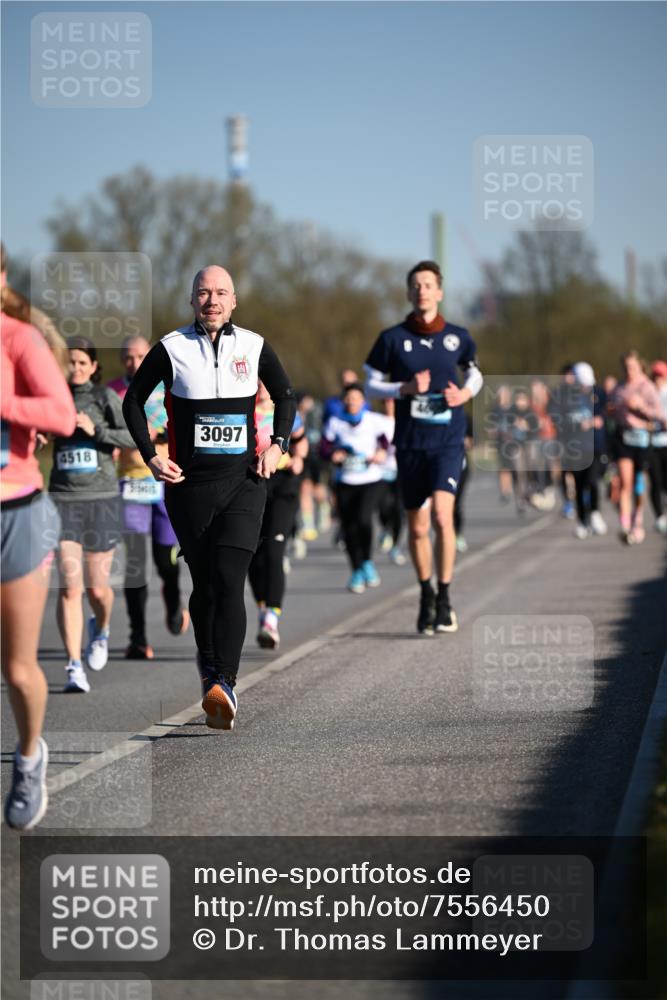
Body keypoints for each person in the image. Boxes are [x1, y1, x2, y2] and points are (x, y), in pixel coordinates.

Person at [122, 265, 295, 730]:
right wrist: (151, 456)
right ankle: (211, 670)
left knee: (229, 576)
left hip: (244, 483)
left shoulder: (254, 345)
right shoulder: (171, 348)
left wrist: (279, 445)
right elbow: (133, 400)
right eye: (203, 293)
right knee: (203, 586)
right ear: (191, 299)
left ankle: (226, 681)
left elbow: (285, 395)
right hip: (189, 488)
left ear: (234, 300)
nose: (212, 300)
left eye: (220, 293)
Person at [364, 260, 483, 634]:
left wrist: (464, 392)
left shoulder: (458, 336)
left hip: (447, 440)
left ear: (439, 292)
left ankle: (445, 597)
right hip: (411, 441)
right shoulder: (391, 338)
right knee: (416, 530)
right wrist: (404, 389)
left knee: (442, 518)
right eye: (416, 285)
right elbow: (370, 385)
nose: (422, 290)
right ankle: (426, 593)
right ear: (408, 292)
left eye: (428, 284)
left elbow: (476, 372)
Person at [1, 247, 77, 829]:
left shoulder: (18, 339)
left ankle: (29, 756)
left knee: (18, 668)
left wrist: (5, 403)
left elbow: (62, 414)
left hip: (15, 512)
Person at [49, 338, 135, 693]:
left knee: (97, 589)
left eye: (82, 362)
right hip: (63, 499)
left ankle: (100, 631)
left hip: (101, 499)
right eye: (70, 362)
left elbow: (132, 436)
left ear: (94, 366)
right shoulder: (52, 396)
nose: (76, 368)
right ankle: (73, 666)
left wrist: (95, 430)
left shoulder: (104, 398)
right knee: (70, 586)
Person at [108, 336, 190, 659]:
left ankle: (173, 600)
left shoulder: (167, 386)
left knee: (166, 560)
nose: (134, 362)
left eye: (141, 356)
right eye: (128, 357)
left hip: (164, 484)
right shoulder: (114, 391)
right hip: (130, 483)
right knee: (136, 564)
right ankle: (138, 637)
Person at [248, 382, 308, 649]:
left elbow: (301, 443)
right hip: (251, 482)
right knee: (251, 553)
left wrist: (299, 459)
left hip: (282, 484)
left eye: (265, 384)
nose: (262, 389)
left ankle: (271, 617)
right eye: (257, 384)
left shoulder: (284, 411)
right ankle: (263, 606)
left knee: (274, 550)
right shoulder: (243, 411)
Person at [321, 382, 389, 593]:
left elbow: (386, 441)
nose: (352, 403)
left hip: (370, 480)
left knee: (364, 519)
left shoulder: (373, 420)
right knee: (349, 527)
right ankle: (357, 570)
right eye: (348, 399)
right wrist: (334, 454)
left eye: (356, 399)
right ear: (344, 401)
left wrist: (381, 453)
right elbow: (324, 447)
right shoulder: (335, 422)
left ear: (363, 401)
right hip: (345, 481)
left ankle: (367, 561)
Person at [609, 350, 665, 544]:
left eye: (632, 367)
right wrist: (611, 410)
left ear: (640, 366)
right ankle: (625, 526)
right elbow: (611, 411)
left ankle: (637, 518)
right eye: (625, 367)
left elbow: (659, 414)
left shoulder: (647, 387)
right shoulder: (619, 387)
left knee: (639, 485)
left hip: (642, 439)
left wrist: (640, 407)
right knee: (625, 481)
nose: (629, 370)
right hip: (623, 438)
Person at [569, 362, 608, 539]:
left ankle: (595, 513)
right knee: (579, 486)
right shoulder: (568, 397)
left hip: (594, 446)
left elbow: (606, 414)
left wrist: (594, 422)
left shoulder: (598, 393)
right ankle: (582, 521)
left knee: (592, 481)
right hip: (575, 448)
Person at [648, 360, 667, 535]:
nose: (657, 379)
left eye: (660, 376)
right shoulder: (648, 394)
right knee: (655, 481)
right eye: (654, 376)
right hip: (652, 444)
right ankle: (660, 517)